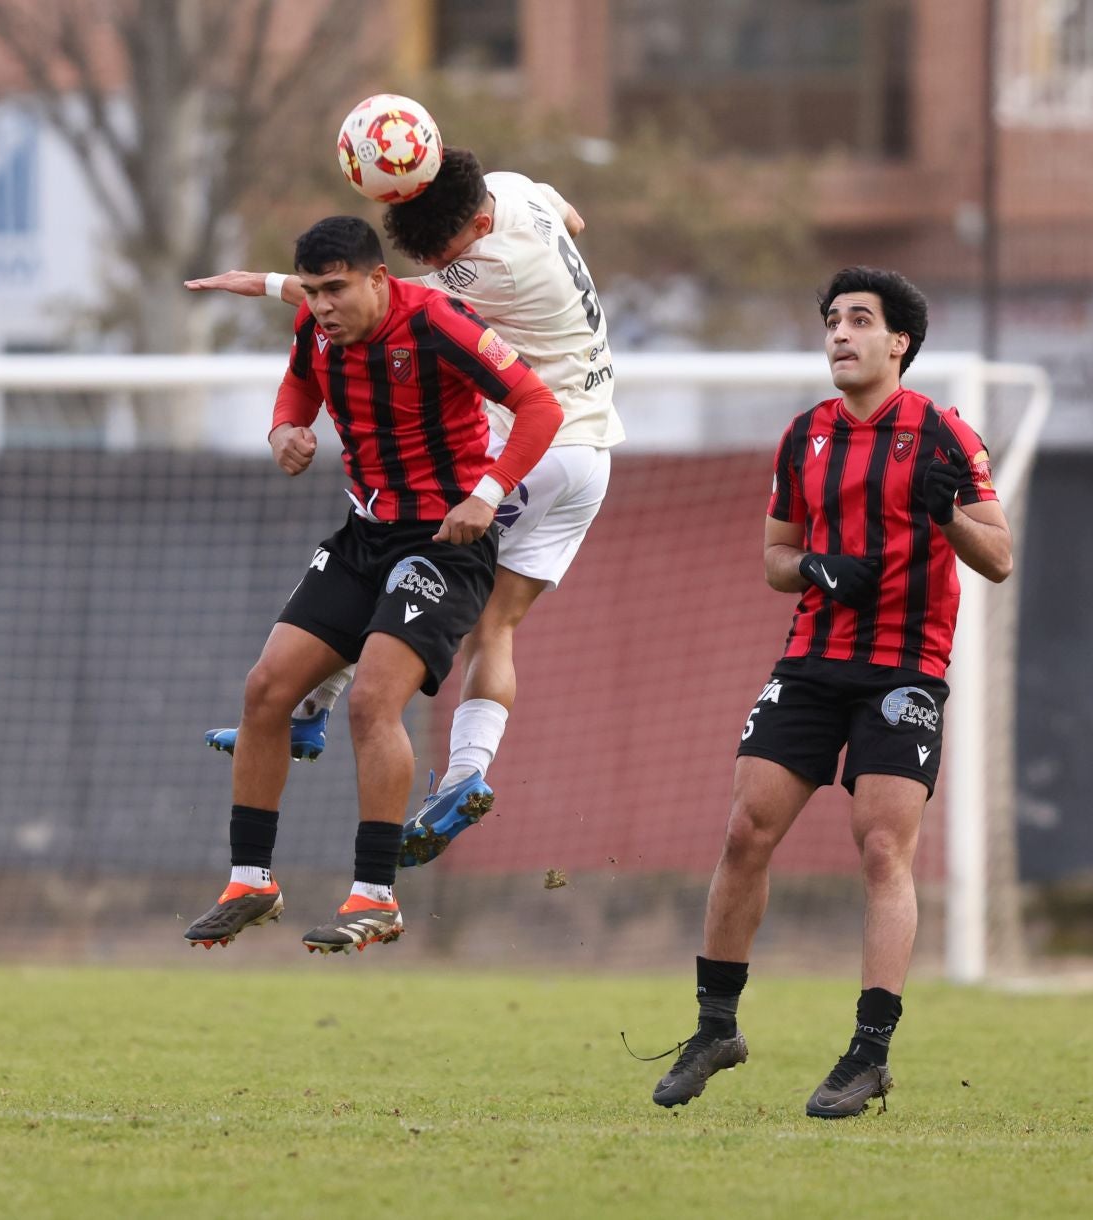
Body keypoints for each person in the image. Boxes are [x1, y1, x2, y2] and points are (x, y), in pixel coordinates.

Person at [187, 147, 624, 868]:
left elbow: (379, 303)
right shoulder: (520, 193)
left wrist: (268, 284)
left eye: (447, 248)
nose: (444, 259)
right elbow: (570, 216)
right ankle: (463, 776)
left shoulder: (488, 271)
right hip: (594, 455)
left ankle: (308, 710)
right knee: (495, 622)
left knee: (408, 549)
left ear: (478, 222)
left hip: (537, 447)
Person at [648, 267, 1013, 1117]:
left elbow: (998, 557)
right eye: (831, 322)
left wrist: (948, 517)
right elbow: (776, 559)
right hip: (812, 660)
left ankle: (869, 1052)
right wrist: (815, 565)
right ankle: (716, 1026)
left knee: (883, 848)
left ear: (900, 343)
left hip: (904, 668)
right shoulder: (801, 437)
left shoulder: (945, 434)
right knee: (745, 830)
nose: (840, 335)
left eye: (859, 321)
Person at [181, 216, 562, 954]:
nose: (322, 306)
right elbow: (297, 389)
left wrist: (487, 493)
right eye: (313, 292)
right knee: (266, 691)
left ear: (378, 279)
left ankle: (375, 896)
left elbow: (540, 407)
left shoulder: (439, 325)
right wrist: (282, 431)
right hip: (364, 537)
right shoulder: (317, 331)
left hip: (444, 545)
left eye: (336, 289)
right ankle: (251, 880)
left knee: (370, 699)